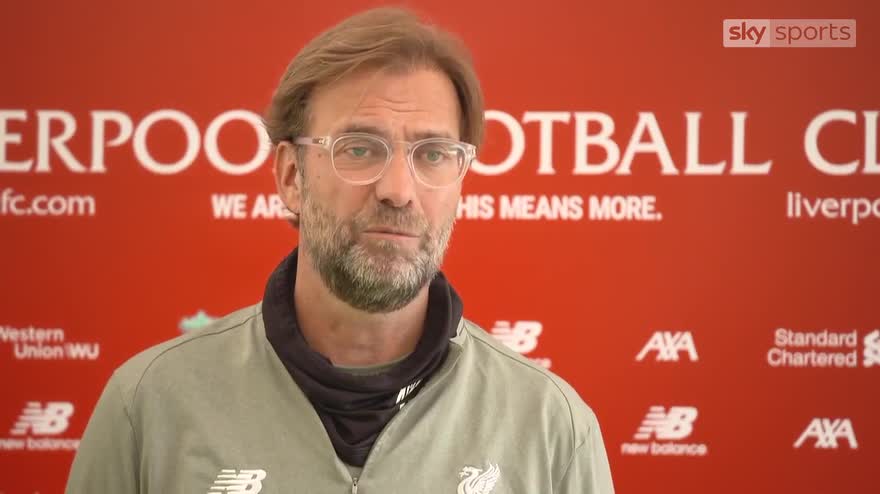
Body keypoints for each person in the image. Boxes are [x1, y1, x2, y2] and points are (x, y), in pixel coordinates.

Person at [66, 7, 614, 493]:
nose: (398, 190)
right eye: (359, 148)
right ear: (291, 176)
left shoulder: (551, 427)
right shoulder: (149, 406)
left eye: (433, 154)